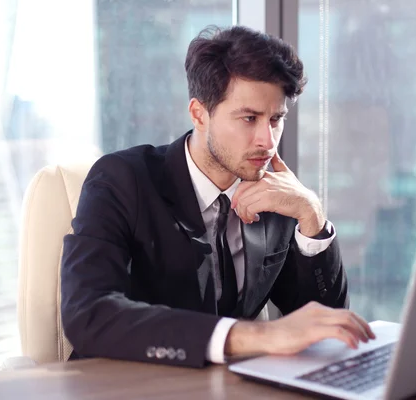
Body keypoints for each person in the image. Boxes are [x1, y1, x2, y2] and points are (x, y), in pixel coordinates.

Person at [61, 25, 375, 368]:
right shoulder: (122, 180)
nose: (267, 142)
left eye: (276, 119)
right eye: (249, 118)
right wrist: (251, 336)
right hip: (126, 384)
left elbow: (325, 327)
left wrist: (311, 217)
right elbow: (88, 314)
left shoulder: (274, 192)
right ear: (199, 113)